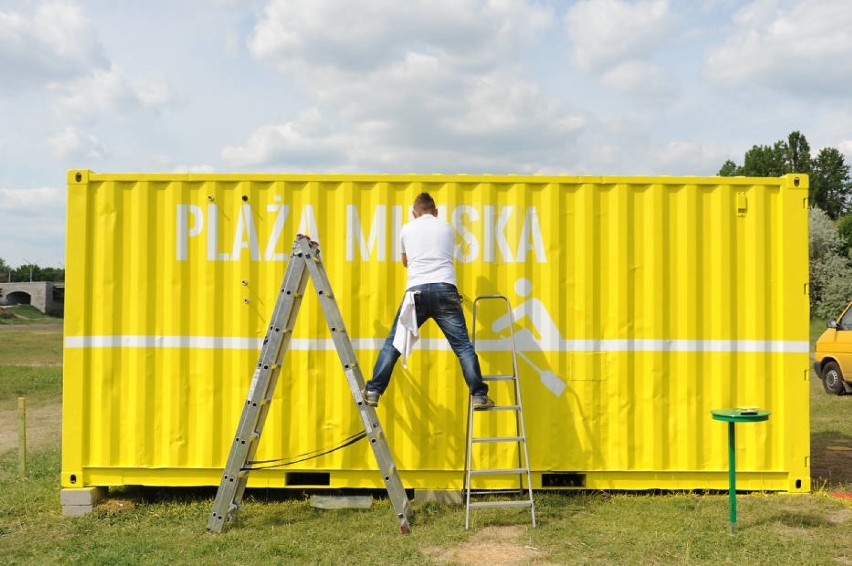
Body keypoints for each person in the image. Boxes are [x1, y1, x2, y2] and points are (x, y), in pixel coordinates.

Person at [363, 193, 494, 409]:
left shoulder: (406, 229)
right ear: (436, 212)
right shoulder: (446, 228)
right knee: (462, 347)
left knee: (393, 344)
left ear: (414, 213)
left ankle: (373, 391)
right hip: (445, 290)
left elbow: (405, 262)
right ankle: (479, 395)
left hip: (416, 293)